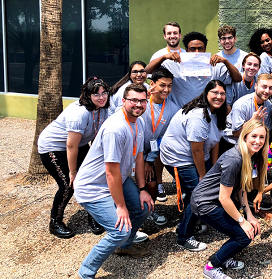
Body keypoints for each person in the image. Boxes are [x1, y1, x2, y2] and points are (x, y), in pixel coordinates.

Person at [74, 83, 154, 279]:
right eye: (133, 100)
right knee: (120, 230)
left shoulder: (139, 120)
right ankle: (85, 273)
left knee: (143, 208)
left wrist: (143, 188)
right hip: (94, 186)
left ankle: (124, 247)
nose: (138, 104)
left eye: (143, 100)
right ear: (123, 101)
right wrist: (120, 206)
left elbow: (139, 156)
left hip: (118, 177)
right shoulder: (115, 128)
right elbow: (110, 172)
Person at [179, 119, 269, 279]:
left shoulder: (249, 155)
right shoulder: (234, 159)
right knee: (243, 236)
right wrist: (242, 221)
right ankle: (211, 267)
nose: (258, 141)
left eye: (262, 137)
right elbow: (224, 197)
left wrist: (249, 214)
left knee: (249, 230)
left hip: (216, 201)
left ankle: (224, 257)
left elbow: (241, 187)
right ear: (245, 136)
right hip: (205, 203)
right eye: (254, 136)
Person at [38, 77, 109, 239]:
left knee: (93, 178)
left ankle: (95, 216)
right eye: (96, 94)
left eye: (104, 93)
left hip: (80, 144)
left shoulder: (103, 108)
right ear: (87, 95)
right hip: (54, 147)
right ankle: (55, 222)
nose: (102, 97)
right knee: (68, 185)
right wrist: (73, 171)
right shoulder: (79, 113)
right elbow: (71, 145)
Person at [160, 80, 228, 247]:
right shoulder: (198, 115)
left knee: (198, 190)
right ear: (206, 93)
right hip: (179, 157)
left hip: (194, 155)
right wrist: (203, 176)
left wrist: (213, 168)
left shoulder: (218, 112)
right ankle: (184, 236)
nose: (218, 96)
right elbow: (196, 150)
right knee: (200, 193)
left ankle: (189, 221)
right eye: (215, 92)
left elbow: (215, 141)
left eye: (222, 93)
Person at [221, 73, 272, 211]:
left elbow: (265, 128)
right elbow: (235, 133)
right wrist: (252, 121)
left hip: (253, 141)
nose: (267, 91)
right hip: (233, 142)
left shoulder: (267, 104)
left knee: (262, 158)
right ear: (256, 86)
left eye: (270, 88)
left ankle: (252, 194)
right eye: (264, 86)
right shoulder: (241, 104)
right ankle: (240, 198)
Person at [145, 31, 242, 108]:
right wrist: (164, 57)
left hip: (205, 115)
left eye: (200, 48)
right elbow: (147, 71)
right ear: (186, 50)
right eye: (192, 49)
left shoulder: (215, 65)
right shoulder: (174, 64)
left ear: (205, 49)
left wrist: (226, 61)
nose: (197, 52)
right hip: (180, 114)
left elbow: (238, 79)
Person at [141, 68, 177, 225]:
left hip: (150, 152)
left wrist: (149, 160)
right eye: (162, 85)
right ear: (152, 84)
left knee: (152, 184)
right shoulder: (140, 102)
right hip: (131, 152)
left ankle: (149, 211)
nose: (166, 89)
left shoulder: (172, 108)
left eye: (169, 86)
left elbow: (164, 138)